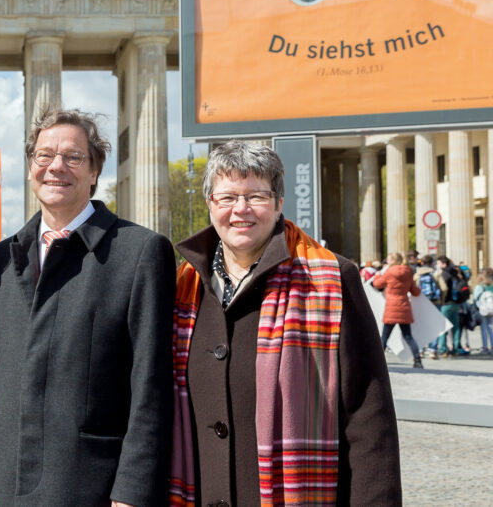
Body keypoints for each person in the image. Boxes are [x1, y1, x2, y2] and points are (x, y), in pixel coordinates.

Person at [170, 141, 401, 506]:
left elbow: (367, 414)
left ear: (279, 203)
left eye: (257, 196)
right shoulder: (182, 285)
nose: (241, 210)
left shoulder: (334, 278)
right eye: (227, 197)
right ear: (210, 204)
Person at [0, 108, 175, 507]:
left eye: (74, 157)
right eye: (43, 155)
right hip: (6, 484)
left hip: (93, 485)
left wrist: (134, 490)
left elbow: (150, 381)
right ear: (30, 167)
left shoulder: (139, 252)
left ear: (95, 172)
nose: (56, 167)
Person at [372, 252, 424, 368]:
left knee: (384, 337)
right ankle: (417, 360)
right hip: (404, 307)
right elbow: (414, 291)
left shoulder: (389, 271)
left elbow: (377, 284)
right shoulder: (408, 271)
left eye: (389, 260)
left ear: (394, 261)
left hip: (391, 307)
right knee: (408, 336)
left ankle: (377, 362)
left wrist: (377, 275)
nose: (387, 262)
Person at [472, 268, 493, 354]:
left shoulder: (480, 286)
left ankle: (485, 347)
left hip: (483, 309)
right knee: (490, 328)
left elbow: (475, 297)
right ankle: (492, 347)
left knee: (483, 329)